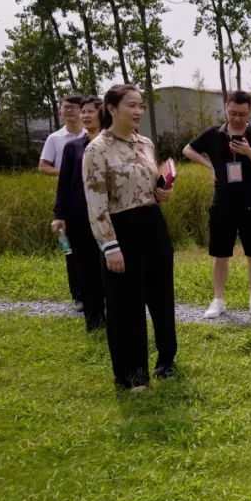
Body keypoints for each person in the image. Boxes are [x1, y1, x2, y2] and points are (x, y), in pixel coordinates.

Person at [83, 84, 176, 392]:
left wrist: (162, 191)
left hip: (154, 224)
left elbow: (146, 184)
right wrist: (110, 246)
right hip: (121, 230)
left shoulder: (145, 143)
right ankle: (133, 377)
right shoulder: (97, 149)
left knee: (162, 297)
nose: (138, 111)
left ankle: (167, 362)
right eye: (131, 105)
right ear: (111, 109)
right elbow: (96, 202)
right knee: (126, 306)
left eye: (140, 106)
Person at [183, 90, 251, 320]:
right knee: (220, 254)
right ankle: (218, 300)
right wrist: (209, 165)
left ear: (250, 112)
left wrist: (249, 151)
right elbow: (188, 149)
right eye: (233, 113)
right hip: (222, 204)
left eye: (242, 114)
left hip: (250, 204)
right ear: (226, 108)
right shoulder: (213, 134)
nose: (237, 118)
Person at [51, 96, 106, 332]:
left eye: (90, 111)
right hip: (79, 217)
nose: (85, 115)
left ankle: (115, 314)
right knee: (85, 267)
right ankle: (94, 319)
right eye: (83, 111)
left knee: (109, 265)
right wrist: (59, 214)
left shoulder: (112, 143)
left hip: (108, 217)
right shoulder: (72, 147)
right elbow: (64, 184)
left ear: (103, 114)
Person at [39, 94, 86, 310]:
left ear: (82, 111)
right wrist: (68, 172)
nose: (69, 110)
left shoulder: (92, 134)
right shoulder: (55, 138)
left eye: (74, 107)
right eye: (65, 107)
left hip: (90, 198)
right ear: (60, 111)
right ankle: (78, 295)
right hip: (66, 198)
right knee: (70, 249)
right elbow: (43, 166)